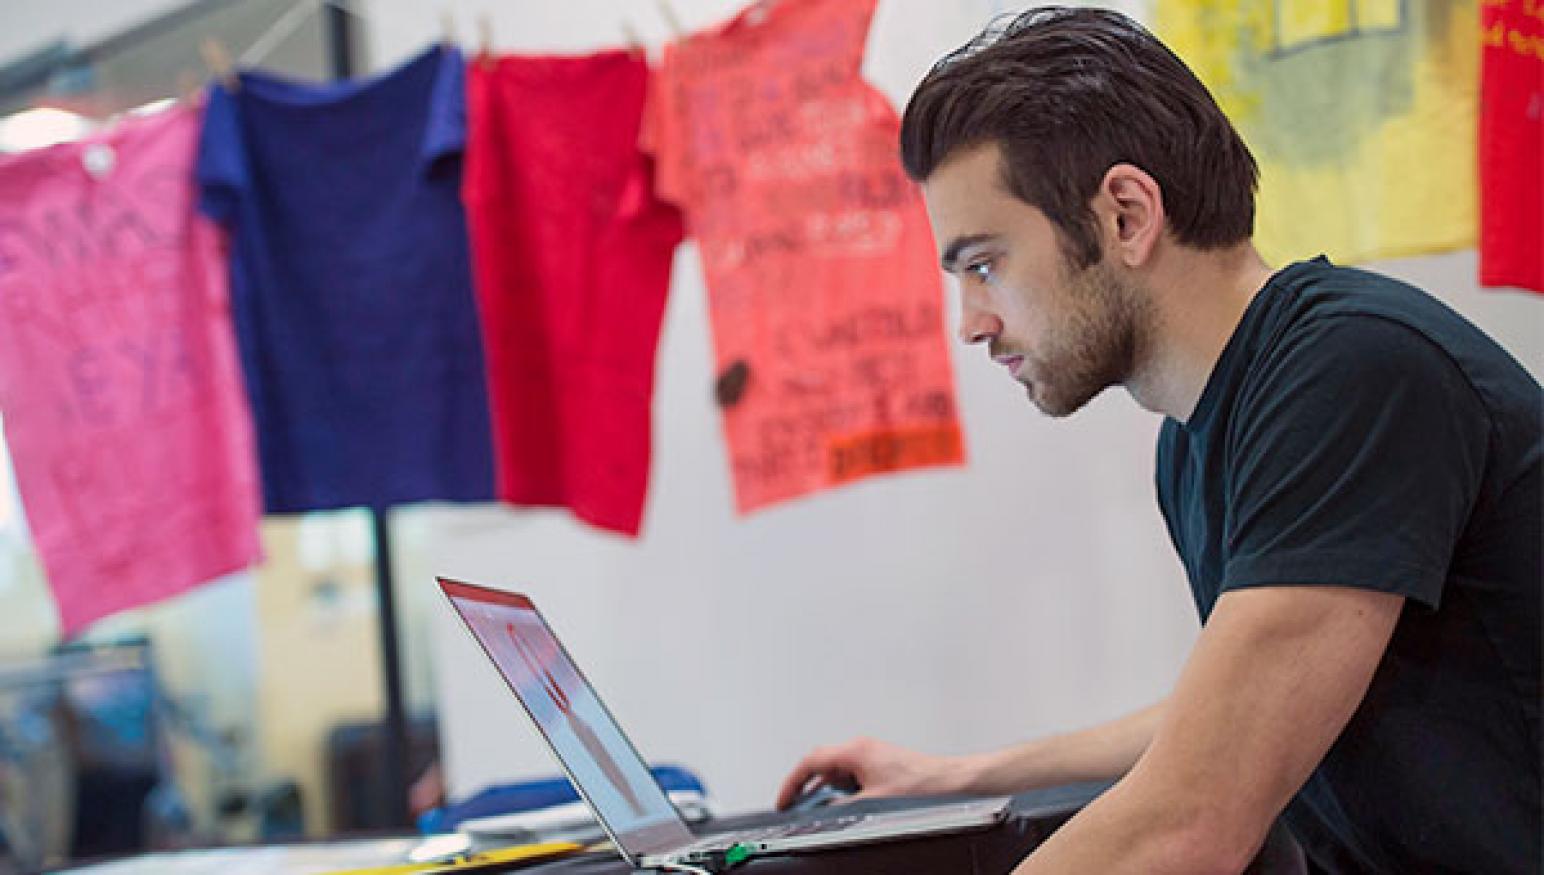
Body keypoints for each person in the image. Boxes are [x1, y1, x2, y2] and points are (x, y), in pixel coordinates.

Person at [775, 8, 1542, 874]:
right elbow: (1232, 715)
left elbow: (1188, 820)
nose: (972, 324)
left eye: (984, 264)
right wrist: (959, 775)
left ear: (1127, 215)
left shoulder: (1352, 372)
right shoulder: (1196, 438)